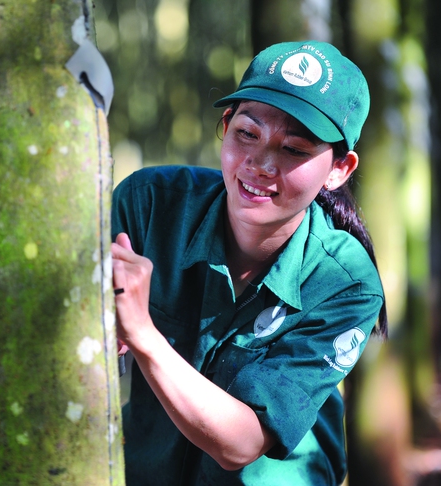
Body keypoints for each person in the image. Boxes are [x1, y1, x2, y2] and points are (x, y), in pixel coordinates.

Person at [110, 40, 387, 485]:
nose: (259, 164)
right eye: (247, 134)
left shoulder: (346, 283)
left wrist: (142, 332)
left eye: (294, 150)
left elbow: (240, 443)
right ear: (226, 123)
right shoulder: (148, 207)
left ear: (339, 169)